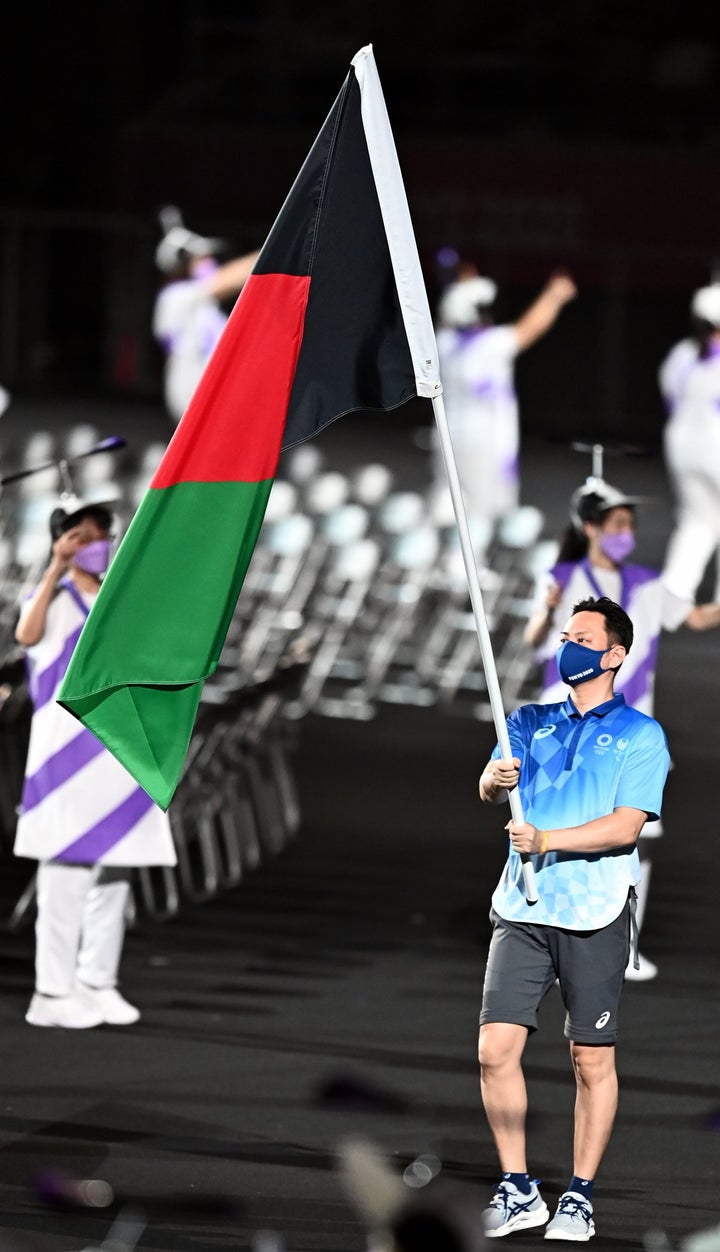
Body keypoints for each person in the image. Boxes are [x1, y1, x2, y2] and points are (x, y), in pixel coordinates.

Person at [478, 596, 670, 1241]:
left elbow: (626, 828)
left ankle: (580, 1194)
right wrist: (493, 776)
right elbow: (489, 785)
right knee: (493, 1051)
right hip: (522, 907)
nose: (569, 647)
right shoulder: (529, 720)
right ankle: (518, 1187)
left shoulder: (642, 736)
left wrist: (548, 841)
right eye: (566, 635)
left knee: (590, 1059)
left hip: (594, 912)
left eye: (583, 637)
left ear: (615, 655)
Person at [524, 477, 720, 980]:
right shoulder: (565, 579)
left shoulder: (650, 586)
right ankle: (541, 929)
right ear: (590, 527)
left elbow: (696, 617)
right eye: (615, 524)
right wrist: (548, 610)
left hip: (631, 736)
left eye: (629, 525)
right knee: (564, 827)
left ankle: (624, 942)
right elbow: (534, 641)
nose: (625, 533)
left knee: (639, 837)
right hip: (570, 730)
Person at [14, 497, 177, 1028]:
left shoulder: (121, 598)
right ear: (62, 541)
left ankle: (96, 979)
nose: (97, 542)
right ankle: (50, 992)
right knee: (64, 871)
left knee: (118, 868)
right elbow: (27, 637)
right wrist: (56, 567)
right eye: (82, 535)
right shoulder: (49, 597)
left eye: (102, 532)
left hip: (120, 746)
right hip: (65, 751)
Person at [431, 263, 577, 561]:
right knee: (484, 514)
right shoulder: (490, 345)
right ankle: (463, 575)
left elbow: (449, 317)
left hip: (447, 437)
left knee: (449, 506)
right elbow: (530, 328)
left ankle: (441, 565)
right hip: (485, 443)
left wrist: (460, 290)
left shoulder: (442, 344)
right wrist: (554, 295)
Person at [152, 205, 259, 424]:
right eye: (201, 258)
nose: (210, 263)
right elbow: (224, 281)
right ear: (182, 264)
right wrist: (273, 252)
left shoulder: (201, 303)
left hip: (214, 395)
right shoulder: (175, 296)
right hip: (193, 395)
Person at [659, 280, 720, 609]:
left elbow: (670, 399)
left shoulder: (681, 355)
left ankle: (674, 592)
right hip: (715, 444)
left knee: (697, 521)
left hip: (681, 445)